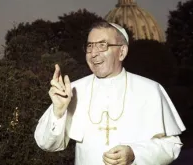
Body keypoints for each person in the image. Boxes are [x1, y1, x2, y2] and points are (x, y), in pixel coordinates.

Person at [34, 21, 186, 165]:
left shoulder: (150, 90)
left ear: (122, 52)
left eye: (102, 45)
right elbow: (46, 144)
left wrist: (134, 154)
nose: (93, 53)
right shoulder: (73, 90)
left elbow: (171, 146)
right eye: (89, 46)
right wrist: (58, 112)